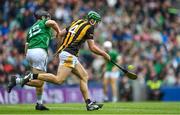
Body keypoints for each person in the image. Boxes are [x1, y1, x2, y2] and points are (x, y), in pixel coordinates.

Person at [20, 11, 111, 111]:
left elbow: (60, 34)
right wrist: (104, 54)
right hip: (69, 54)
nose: (97, 24)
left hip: (69, 54)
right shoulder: (89, 27)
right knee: (59, 80)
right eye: (97, 22)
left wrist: (59, 49)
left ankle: (89, 104)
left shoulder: (77, 22)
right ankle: (31, 76)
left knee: (84, 76)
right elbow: (92, 47)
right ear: (92, 21)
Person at [8, 10, 62, 110]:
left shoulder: (31, 29)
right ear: (42, 18)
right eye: (47, 17)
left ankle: (39, 103)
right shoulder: (43, 22)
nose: (48, 18)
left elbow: (27, 45)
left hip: (30, 53)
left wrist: (28, 57)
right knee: (40, 81)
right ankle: (17, 80)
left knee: (39, 79)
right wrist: (59, 32)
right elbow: (53, 23)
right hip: (39, 52)